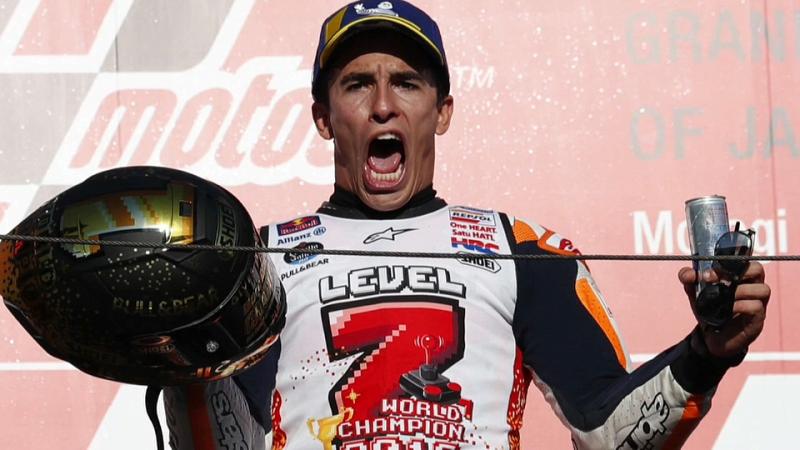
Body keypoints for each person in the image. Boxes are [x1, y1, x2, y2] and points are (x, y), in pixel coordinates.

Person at [163, 1, 770, 449]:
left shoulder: (524, 252)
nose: (383, 106)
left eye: (406, 83)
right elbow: (227, 440)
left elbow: (608, 434)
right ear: (323, 116)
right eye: (357, 84)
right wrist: (177, 349)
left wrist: (707, 353)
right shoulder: (254, 263)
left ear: (443, 111)